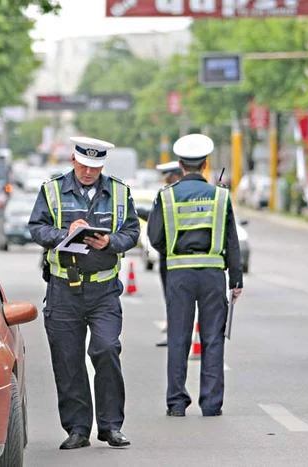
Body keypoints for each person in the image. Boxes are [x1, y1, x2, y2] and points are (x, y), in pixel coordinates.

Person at [28, 136, 140, 450]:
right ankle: (78, 429)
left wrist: (111, 243)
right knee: (68, 360)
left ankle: (110, 427)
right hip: (64, 289)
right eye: (84, 165)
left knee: (106, 350)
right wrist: (65, 234)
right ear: (74, 161)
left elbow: (132, 231)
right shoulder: (52, 190)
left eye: (95, 167)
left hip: (104, 289)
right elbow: (36, 228)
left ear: (102, 165)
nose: (89, 172)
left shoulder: (119, 192)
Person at [146, 134, 243, 418]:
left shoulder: (166, 196)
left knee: (178, 337)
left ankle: (176, 403)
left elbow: (154, 237)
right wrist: (235, 281)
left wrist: (174, 254)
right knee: (212, 339)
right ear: (205, 163)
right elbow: (232, 242)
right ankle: (211, 404)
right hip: (213, 275)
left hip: (179, 275)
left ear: (180, 164)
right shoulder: (221, 196)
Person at [153, 161, 184, 348]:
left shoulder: (168, 195)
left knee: (174, 300)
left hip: (170, 257)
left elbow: (155, 232)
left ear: (176, 175)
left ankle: (175, 336)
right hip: (180, 256)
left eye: (168, 177)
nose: (165, 181)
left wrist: (164, 250)